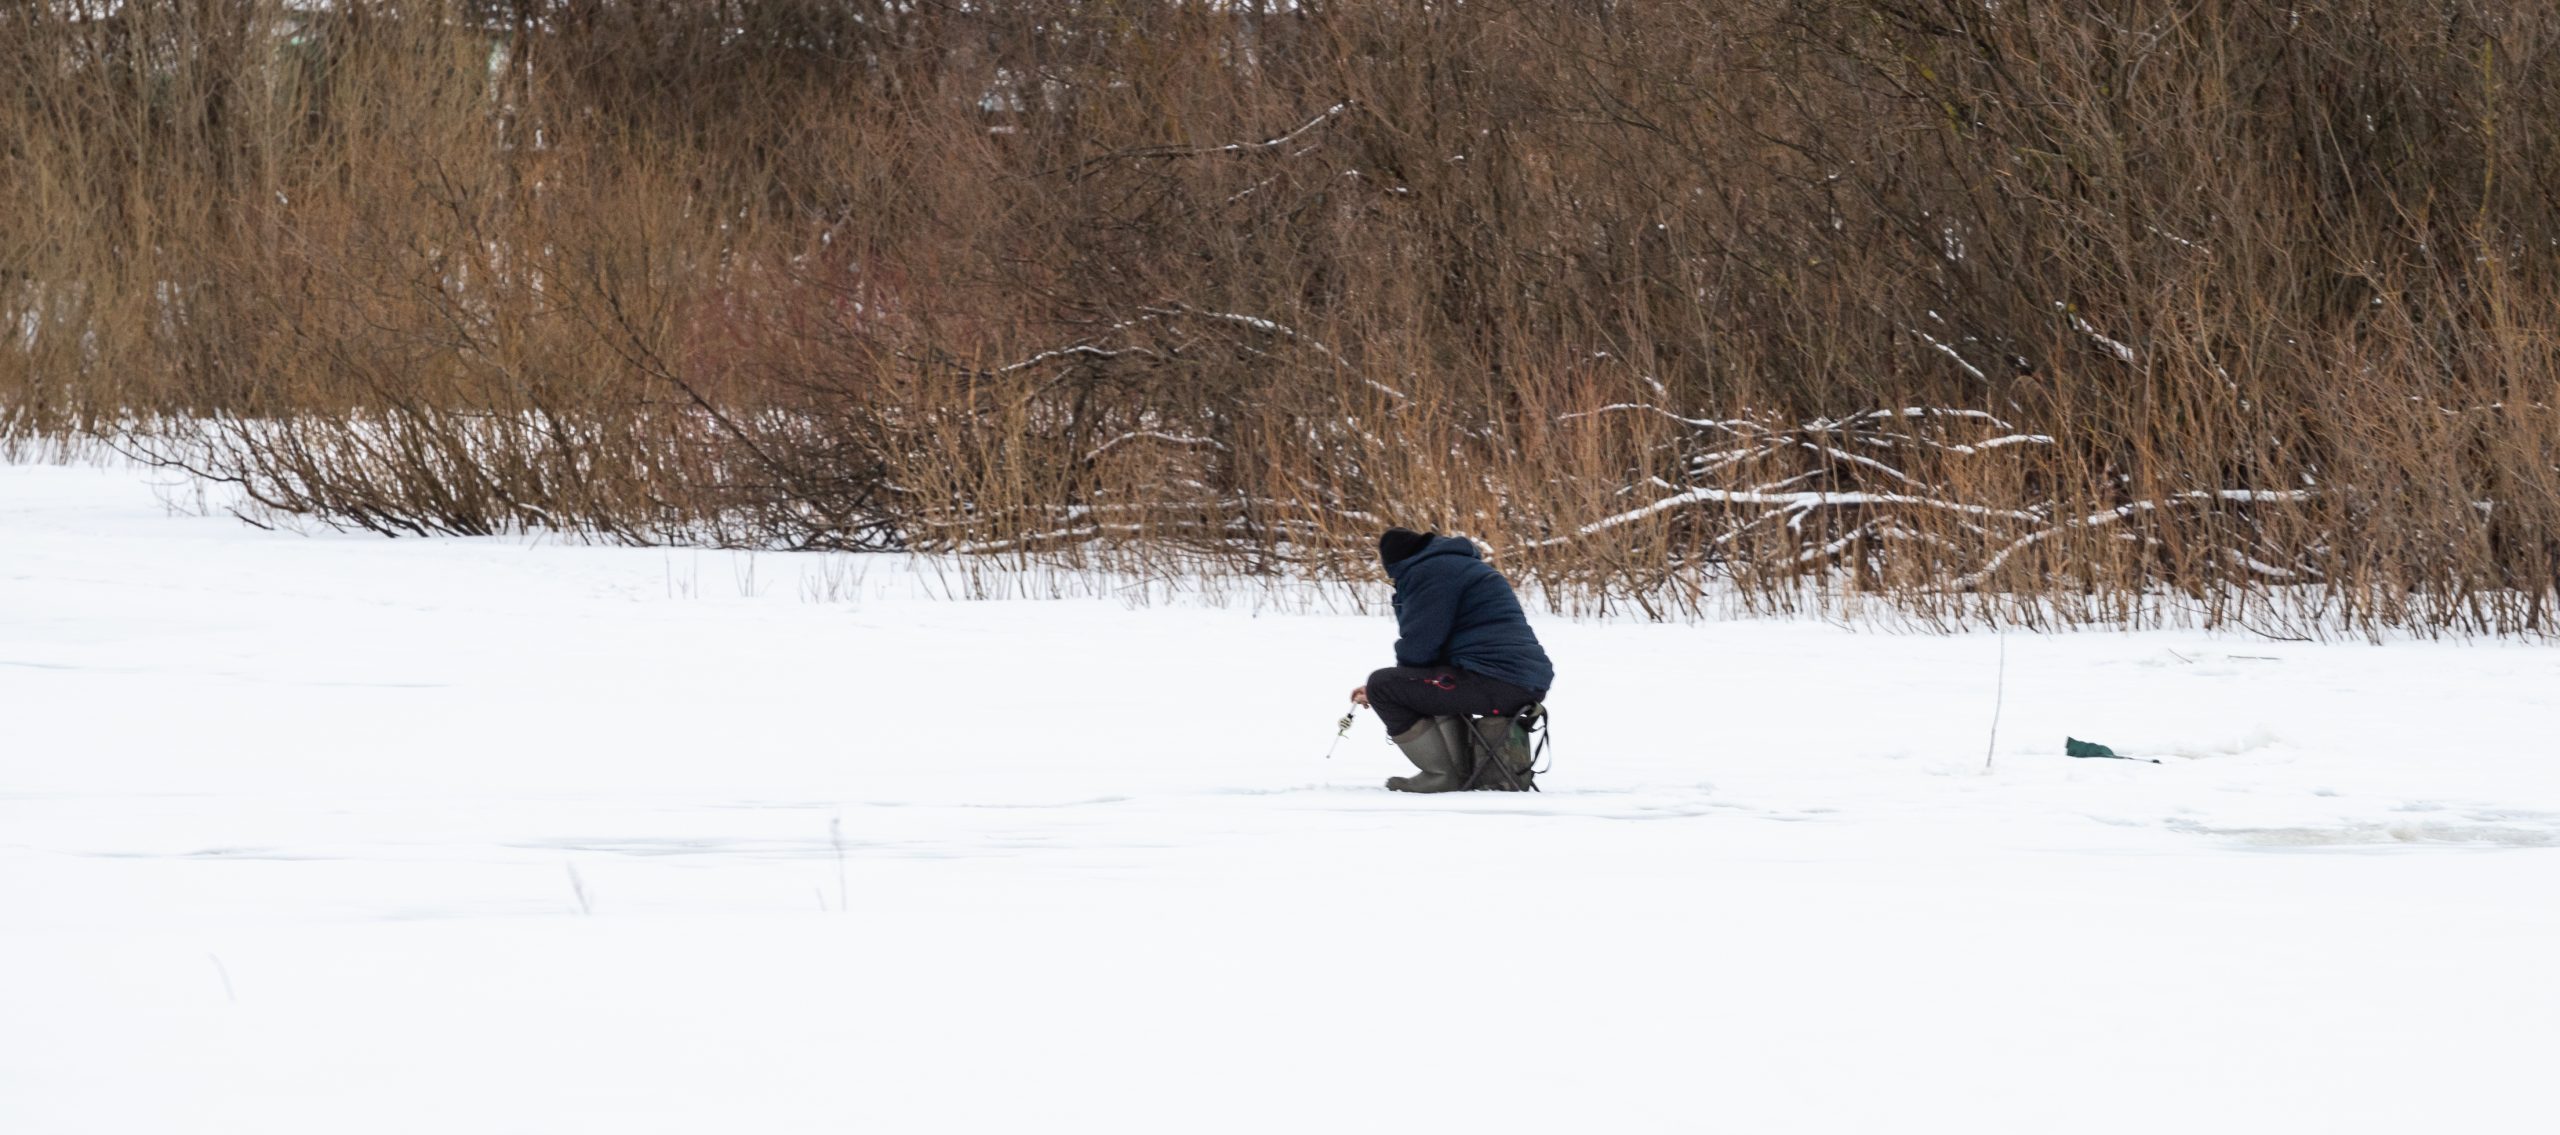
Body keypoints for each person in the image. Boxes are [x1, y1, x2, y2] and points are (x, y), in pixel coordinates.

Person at [1350, 528, 1554, 792]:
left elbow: (1420, 644)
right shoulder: (1461, 565)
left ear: (1394, 563)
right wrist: (1410, 680)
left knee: (1383, 686)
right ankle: (1460, 772)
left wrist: (1391, 688)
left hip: (1496, 680)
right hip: (1519, 680)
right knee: (1431, 679)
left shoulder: (1430, 572)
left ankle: (1441, 775)